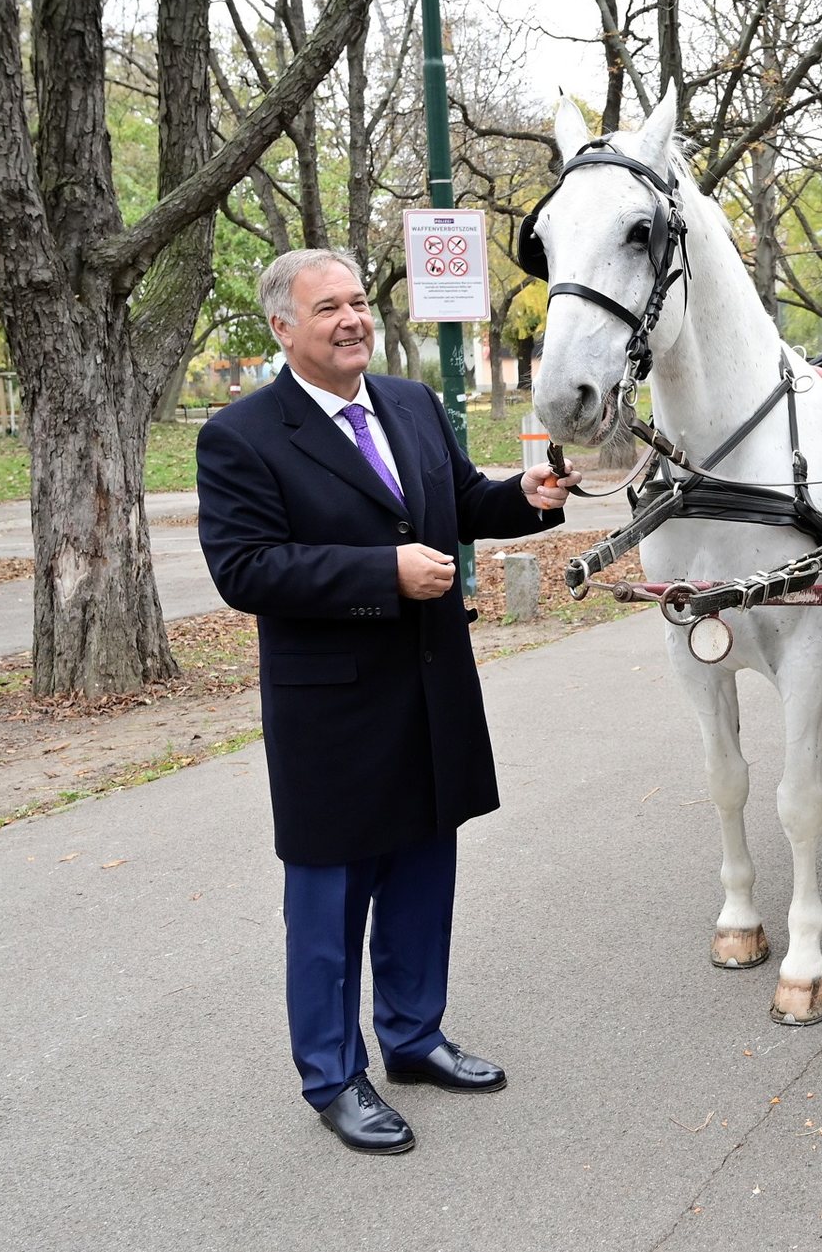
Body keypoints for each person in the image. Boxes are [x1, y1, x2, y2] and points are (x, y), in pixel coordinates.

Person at [195, 248, 580, 1156]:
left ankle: (413, 1037)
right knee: (329, 903)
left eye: (360, 300)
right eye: (327, 306)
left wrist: (525, 497)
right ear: (283, 327)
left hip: (430, 692)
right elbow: (244, 569)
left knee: (420, 878)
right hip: (332, 715)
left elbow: (456, 501)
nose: (352, 318)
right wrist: (383, 574)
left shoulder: (407, 404)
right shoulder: (243, 436)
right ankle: (333, 1077)